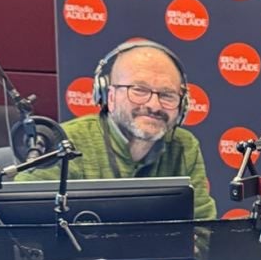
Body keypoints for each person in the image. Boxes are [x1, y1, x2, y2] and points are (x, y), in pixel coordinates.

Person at [14, 39, 216, 220]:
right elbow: (21, 218)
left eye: (167, 95)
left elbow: (203, 229)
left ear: (183, 106)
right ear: (109, 96)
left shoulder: (184, 146)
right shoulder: (64, 142)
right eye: (139, 90)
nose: (154, 105)